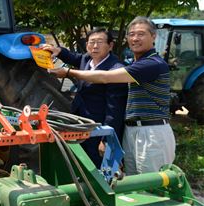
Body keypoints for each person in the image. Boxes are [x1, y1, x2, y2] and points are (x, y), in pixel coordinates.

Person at [49, 17, 174, 175]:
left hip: (150, 131)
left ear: (154, 36)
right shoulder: (132, 63)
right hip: (131, 129)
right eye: (132, 34)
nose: (135, 38)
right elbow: (75, 58)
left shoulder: (151, 64)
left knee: (151, 181)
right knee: (132, 181)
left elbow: (106, 81)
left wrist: (67, 72)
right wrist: (58, 51)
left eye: (141, 34)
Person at [41, 28, 128, 167]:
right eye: (91, 42)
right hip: (79, 123)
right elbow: (74, 57)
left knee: (97, 166)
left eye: (100, 42)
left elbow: (115, 110)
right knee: (79, 163)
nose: (95, 46)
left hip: (98, 129)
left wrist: (106, 140)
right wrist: (58, 51)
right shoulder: (87, 59)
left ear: (110, 46)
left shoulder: (115, 70)